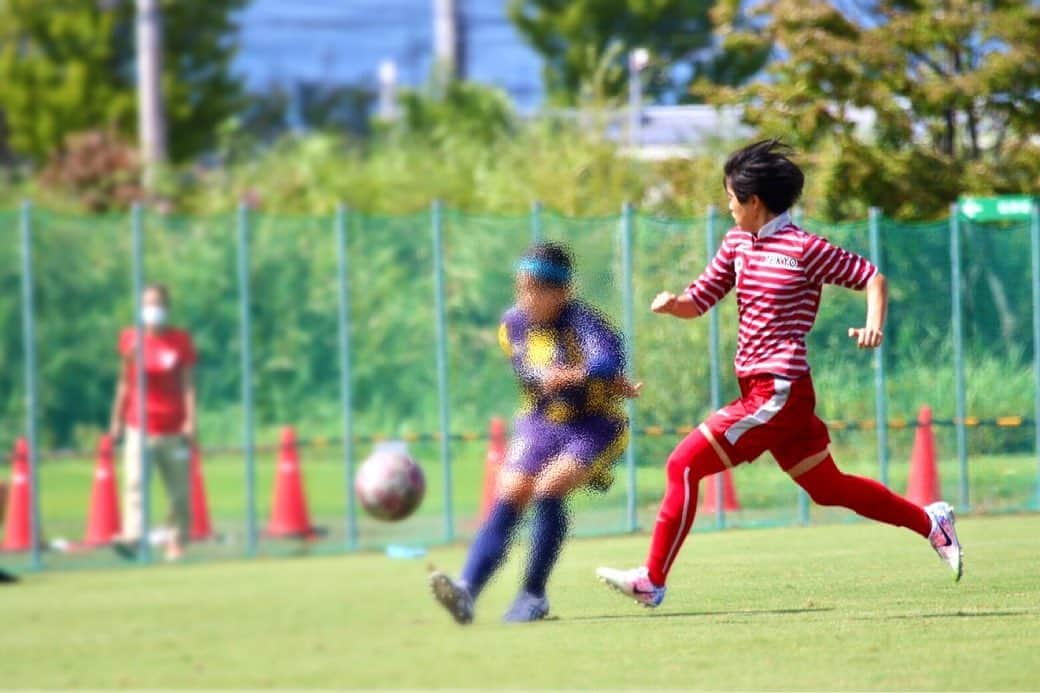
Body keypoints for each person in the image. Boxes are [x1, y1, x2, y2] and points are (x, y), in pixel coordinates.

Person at [597, 140, 963, 608]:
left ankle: (652, 579)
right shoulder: (736, 243)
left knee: (682, 465)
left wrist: (874, 327)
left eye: (731, 197)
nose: (727, 206)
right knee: (829, 489)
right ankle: (931, 523)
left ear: (754, 201)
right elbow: (700, 299)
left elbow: (872, 277)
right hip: (765, 392)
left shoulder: (804, 247)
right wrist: (674, 305)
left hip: (778, 390)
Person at [429, 242, 641, 624]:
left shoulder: (585, 322)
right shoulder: (512, 325)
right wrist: (553, 376)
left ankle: (533, 594)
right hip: (541, 422)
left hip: (594, 424)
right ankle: (466, 591)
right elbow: (527, 370)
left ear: (560, 292)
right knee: (510, 491)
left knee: (549, 487)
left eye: (532, 289)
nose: (524, 296)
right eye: (521, 286)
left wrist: (581, 374)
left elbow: (609, 359)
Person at [108, 283, 198, 562]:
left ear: (167, 308)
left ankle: (176, 540)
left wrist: (191, 420)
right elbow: (124, 381)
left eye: (157, 303)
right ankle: (132, 537)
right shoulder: (131, 339)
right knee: (135, 483)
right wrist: (117, 419)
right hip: (139, 424)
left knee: (179, 491)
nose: (152, 309)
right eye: (147, 304)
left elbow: (188, 384)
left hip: (172, 427)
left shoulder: (179, 340)